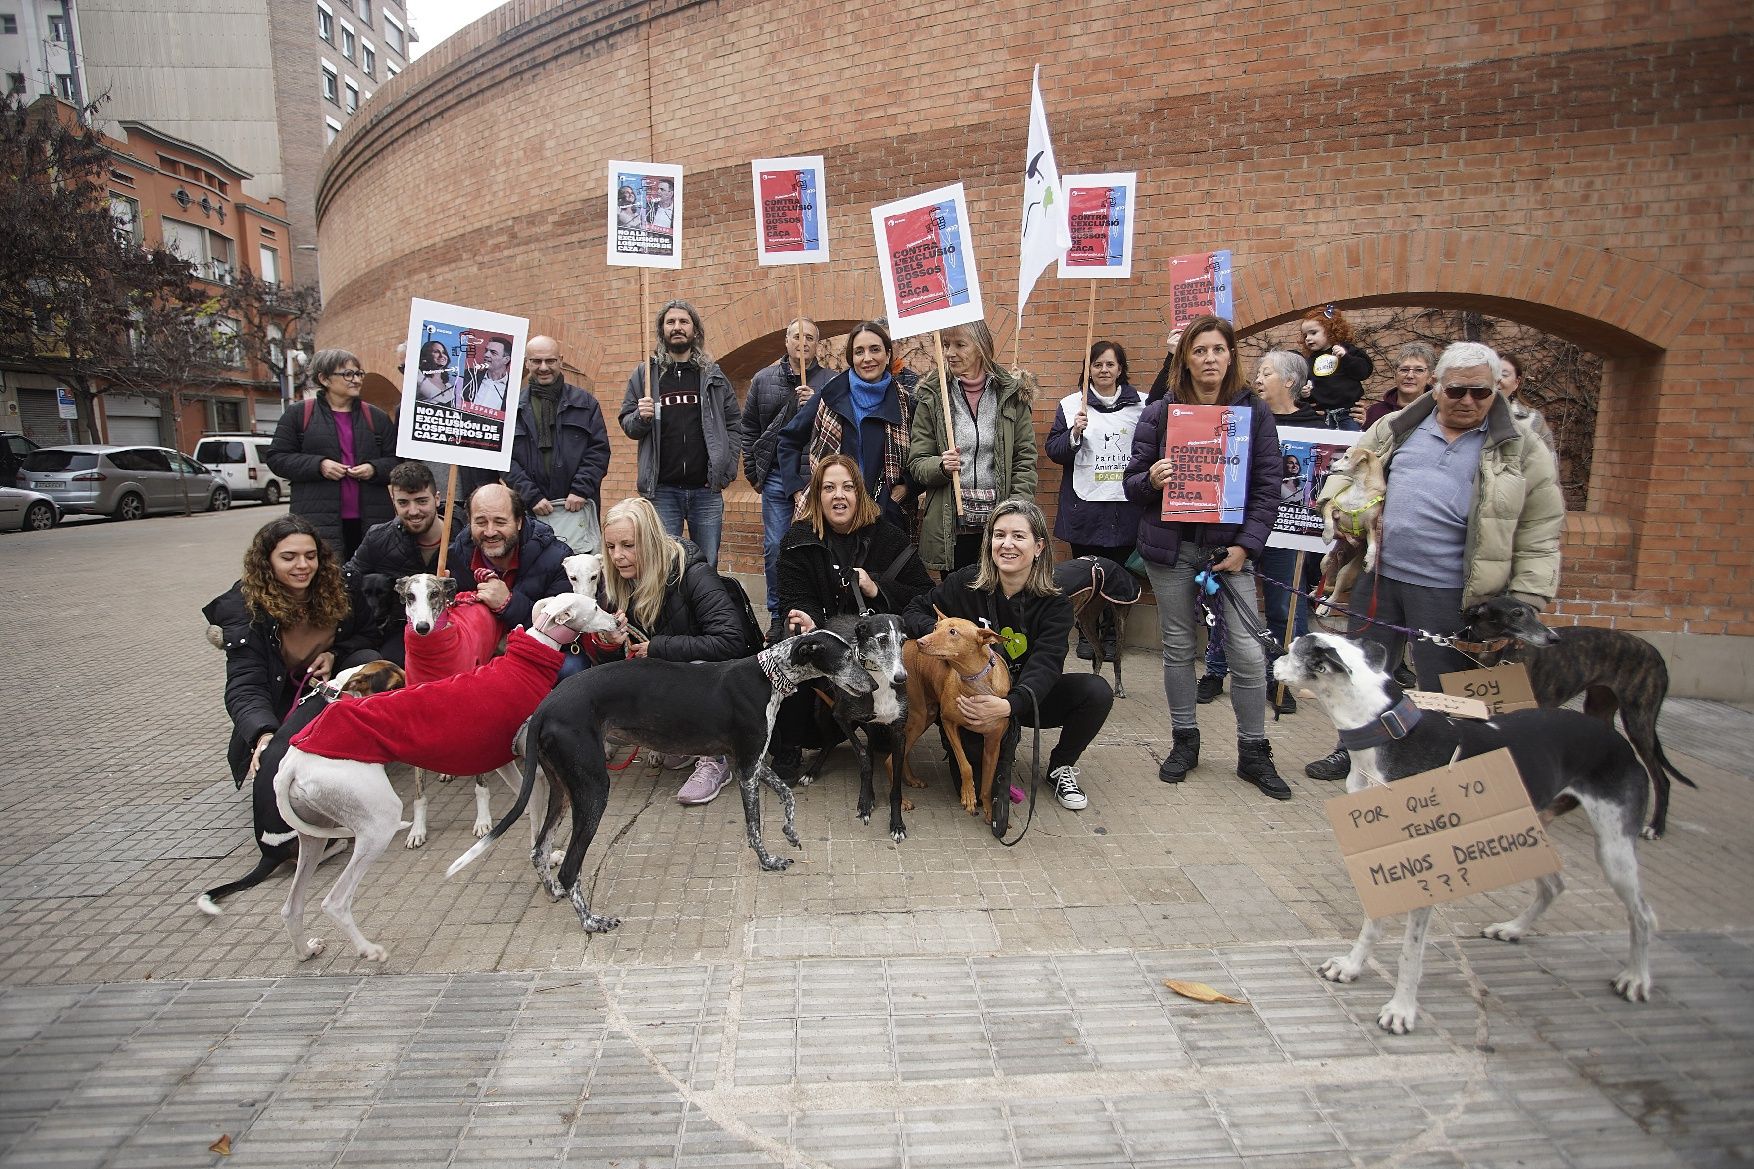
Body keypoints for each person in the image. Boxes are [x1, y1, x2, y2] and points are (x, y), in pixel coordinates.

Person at [1304, 341, 1565, 782]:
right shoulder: (1396, 426)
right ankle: (1353, 754)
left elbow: (1542, 527)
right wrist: (1339, 508)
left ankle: (1443, 769)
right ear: (1436, 385)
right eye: (1457, 391)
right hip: (1378, 578)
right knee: (1363, 675)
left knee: (1446, 689)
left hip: (1451, 591)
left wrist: (1526, 600)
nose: (1468, 401)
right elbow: (1344, 471)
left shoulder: (1521, 446)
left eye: (1481, 393)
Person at [1122, 314, 1289, 799]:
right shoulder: (1159, 413)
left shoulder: (1254, 414)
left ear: (1231, 356)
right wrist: (1151, 480)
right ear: (1185, 358)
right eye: (1199, 350)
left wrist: (1246, 547)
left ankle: (1254, 750)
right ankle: (1184, 740)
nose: (1209, 359)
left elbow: (1266, 488)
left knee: (1247, 651)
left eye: (1218, 350)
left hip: (1227, 552)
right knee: (1177, 646)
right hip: (1170, 549)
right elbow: (1132, 484)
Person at [902, 499, 1113, 812]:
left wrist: (1009, 705)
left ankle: (1061, 766)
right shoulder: (967, 582)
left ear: (1038, 546)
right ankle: (976, 758)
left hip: (1023, 698)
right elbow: (914, 610)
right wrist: (944, 634)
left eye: (1018, 536)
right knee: (970, 780)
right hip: (974, 696)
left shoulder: (1054, 601)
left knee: (1096, 691)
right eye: (999, 535)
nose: (1007, 544)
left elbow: (1047, 664)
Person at [769, 455, 933, 775]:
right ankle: (789, 746)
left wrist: (877, 588)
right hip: (827, 639)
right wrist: (808, 620)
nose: (838, 495)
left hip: (875, 648)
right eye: (828, 488)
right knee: (787, 646)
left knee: (885, 740)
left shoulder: (890, 537)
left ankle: (878, 723)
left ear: (859, 493)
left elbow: (922, 595)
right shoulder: (797, 540)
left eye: (847, 487)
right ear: (817, 496)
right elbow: (795, 597)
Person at [593, 496, 748, 805]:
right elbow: (613, 663)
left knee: (698, 666)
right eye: (611, 547)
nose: (618, 556)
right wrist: (608, 642)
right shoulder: (616, 583)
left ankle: (714, 760)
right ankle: (684, 742)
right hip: (672, 675)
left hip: (720, 677)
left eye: (628, 545)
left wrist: (658, 647)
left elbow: (731, 641)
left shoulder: (692, 572)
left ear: (650, 542)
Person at [203, 515, 369, 788]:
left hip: (329, 687)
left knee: (369, 663)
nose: (303, 566)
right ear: (267, 562)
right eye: (289, 557)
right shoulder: (246, 609)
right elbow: (245, 685)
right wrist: (262, 732)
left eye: (311, 556)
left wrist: (335, 654)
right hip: (281, 699)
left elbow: (368, 634)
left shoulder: (343, 587)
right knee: (280, 761)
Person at [618, 299, 742, 570]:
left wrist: (726, 465)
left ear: (695, 330)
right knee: (663, 564)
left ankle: (704, 613)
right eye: (670, 322)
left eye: (684, 322)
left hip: (705, 491)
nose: (677, 327)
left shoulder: (712, 375)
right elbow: (628, 424)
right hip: (663, 491)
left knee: (707, 565)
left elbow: (734, 422)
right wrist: (641, 417)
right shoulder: (645, 375)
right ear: (661, 330)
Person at [907, 320, 1037, 574]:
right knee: (959, 600)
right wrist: (940, 466)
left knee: (1001, 598)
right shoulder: (933, 395)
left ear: (980, 347)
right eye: (946, 345)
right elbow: (917, 462)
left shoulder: (1010, 394)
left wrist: (1015, 510)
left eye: (959, 345)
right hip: (952, 525)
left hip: (1000, 527)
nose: (949, 353)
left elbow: (1025, 459)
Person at [1044, 339, 1145, 659]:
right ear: (1088, 370)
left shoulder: (1141, 405)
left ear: (1120, 369)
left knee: (1118, 578)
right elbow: (1054, 451)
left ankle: (1113, 636)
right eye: (1097, 364)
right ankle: (1087, 633)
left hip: (1124, 507)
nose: (1104, 370)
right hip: (1085, 508)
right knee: (1086, 577)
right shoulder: (1071, 404)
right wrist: (1074, 433)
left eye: (1110, 364)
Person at [741, 317, 834, 636]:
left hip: (819, 478)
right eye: (797, 336)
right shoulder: (763, 380)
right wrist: (755, 473)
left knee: (819, 546)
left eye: (810, 337)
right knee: (775, 546)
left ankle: (818, 610)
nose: (803, 342)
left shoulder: (830, 381)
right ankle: (779, 613)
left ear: (817, 344)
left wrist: (815, 405)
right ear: (786, 341)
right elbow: (749, 428)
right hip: (778, 478)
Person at [267, 347, 400, 559]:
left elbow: (397, 462)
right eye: (348, 374)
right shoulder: (299, 414)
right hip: (317, 520)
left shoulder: (376, 417)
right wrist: (319, 465)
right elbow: (277, 458)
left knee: (369, 582)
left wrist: (373, 469)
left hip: (371, 520)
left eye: (358, 374)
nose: (356, 380)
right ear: (324, 378)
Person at [779, 319, 913, 526]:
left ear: (887, 355)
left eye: (875, 349)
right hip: (832, 514)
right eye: (859, 351)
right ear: (852, 358)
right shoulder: (831, 394)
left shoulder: (905, 402)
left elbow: (922, 454)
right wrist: (796, 490)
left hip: (883, 516)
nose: (867, 358)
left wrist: (905, 488)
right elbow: (789, 440)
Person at [1250, 349, 1323, 714]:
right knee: (1227, 603)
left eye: (1267, 373)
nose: (1258, 380)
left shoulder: (1318, 428)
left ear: (1290, 381)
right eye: (1258, 374)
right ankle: (1216, 671)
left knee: (1286, 608)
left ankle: (1283, 678)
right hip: (1246, 528)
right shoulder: (1248, 419)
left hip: (1289, 532)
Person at [507, 334, 611, 554]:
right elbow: (505, 459)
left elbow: (598, 451)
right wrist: (530, 495)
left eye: (550, 361)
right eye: (536, 361)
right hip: (531, 510)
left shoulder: (585, 403)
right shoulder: (511, 409)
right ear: (527, 363)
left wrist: (581, 490)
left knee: (581, 574)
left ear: (560, 361)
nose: (544, 367)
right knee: (536, 569)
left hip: (577, 508)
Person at [342, 460, 450, 666]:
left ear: (437, 499)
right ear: (393, 501)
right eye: (403, 503)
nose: (413, 511)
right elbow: (346, 580)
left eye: (421, 501)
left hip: (455, 630)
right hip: (400, 634)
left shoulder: (464, 536)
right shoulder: (378, 539)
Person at [446, 482, 574, 633]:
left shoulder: (559, 561)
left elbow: (564, 630)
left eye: (500, 522)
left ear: (519, 521)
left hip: (533, 650)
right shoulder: (453, 558)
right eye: (481, 522)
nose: (490, 532)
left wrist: (509, 603)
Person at [1295, 306, 1373, 430]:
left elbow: (1363, 372)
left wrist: (1346, 358)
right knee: (1326, 447)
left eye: (1313, 333)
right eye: (1305, 336)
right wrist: (1305, 394)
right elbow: (1310, 385)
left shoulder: (1346, 350)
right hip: (1323, 415)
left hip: (1348, 413)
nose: (1308, 338)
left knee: (1349, 445)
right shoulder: (1310, 361)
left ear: (1330, 330)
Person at [1357, 342, 1437, 428]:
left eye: (1419, 370)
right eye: (1404, 370)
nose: (1410, 376)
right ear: (1394, 375)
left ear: (1430, 377)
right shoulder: (1375, 412)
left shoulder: (1436, 413)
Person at [1498, 353, 1557, 452]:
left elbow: (1548, 463)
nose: (1497, 379)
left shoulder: (1532, 419)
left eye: (1504, 375)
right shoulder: (1469, 414)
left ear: (1517, 382)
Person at [460, 337, 513, 412]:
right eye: (486, 351)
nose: (486, 355)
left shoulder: (512, 388)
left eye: (493, 352)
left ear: (506, 360)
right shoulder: (470, 375)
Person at [415, 339, 457, 406]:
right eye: (436, 352)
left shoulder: (449, 385)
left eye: (443, 352)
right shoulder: (418, 376)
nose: (441, 355)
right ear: (425, 356)